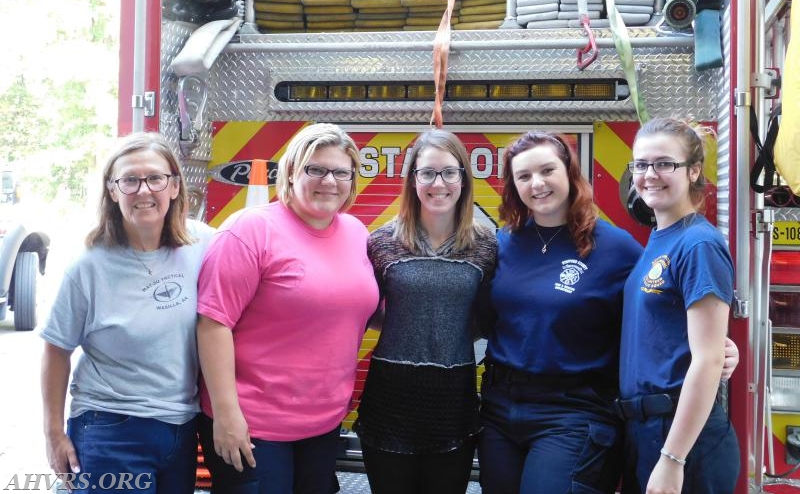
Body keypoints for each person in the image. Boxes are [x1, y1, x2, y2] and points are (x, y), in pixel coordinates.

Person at [477, 130, 739, 494]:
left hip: (572, 412)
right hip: (500, 409)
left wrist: (715, 351)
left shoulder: (619, 248)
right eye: (523, 176)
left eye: (547, 170)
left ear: (569, 173)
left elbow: (665, 309)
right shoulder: (501, 242)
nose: (537, 183)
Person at [196, 122, 379, 494]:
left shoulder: (356, 233)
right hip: (254, 425)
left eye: (341, 172)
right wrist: (228, 416)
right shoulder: (250, 230)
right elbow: (213, 323)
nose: (329, 180)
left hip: (323, 423)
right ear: (292, 172)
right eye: (316, 169)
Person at [40, 132, 215, 494]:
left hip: (180, 429)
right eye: (129, 180)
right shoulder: (88, 266)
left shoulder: (204, 245)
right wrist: (53, 433)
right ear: (112, 190)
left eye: (155, 178)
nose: (144, 190)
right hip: (110, 429)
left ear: (175, 186)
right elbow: (57, 350)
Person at [354, 129, 497, 494]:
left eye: (449, 172)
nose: (439, 183)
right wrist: (410, 322)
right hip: (391, 398)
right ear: (412, 179)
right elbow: (363, 305)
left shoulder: (486, 244)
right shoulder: (381, 241)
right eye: (427, 172)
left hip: (454, 401)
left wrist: (444, 327)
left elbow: (488, 315)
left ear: (464, 178)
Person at [618, 118, 739, 494]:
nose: (649, 174)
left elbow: (708, 359)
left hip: (681, 437)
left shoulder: (698, 244)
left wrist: (673, 460)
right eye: (640, 164)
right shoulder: (660, 238)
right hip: (647, 430)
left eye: (664, 163)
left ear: (693, 171)